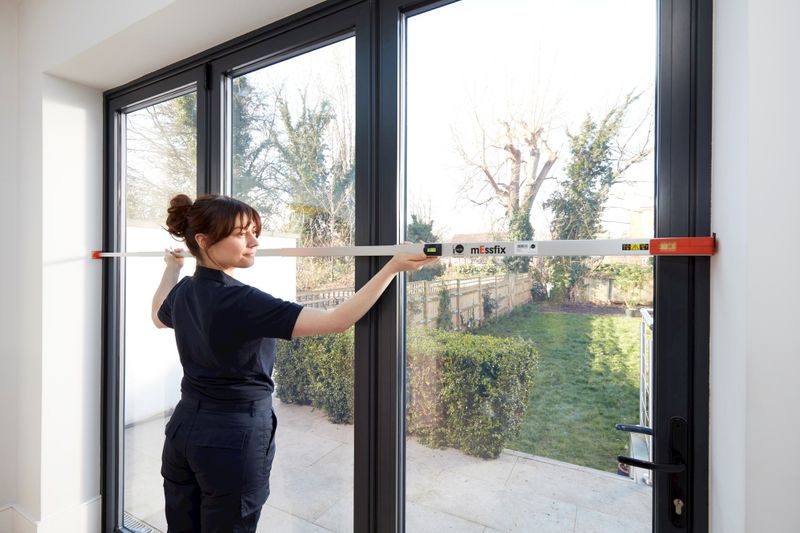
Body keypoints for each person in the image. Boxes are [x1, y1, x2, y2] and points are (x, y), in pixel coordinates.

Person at [151, 193, 438, 532]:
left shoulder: (185, 291)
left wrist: (172, 269)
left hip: (183, 431)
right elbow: (337, 320)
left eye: (254, 231)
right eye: (242, 233)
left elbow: (158, 315)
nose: (254, 241)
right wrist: (392, 267)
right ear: (203, 240)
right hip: (231, 438)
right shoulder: (242, 301)